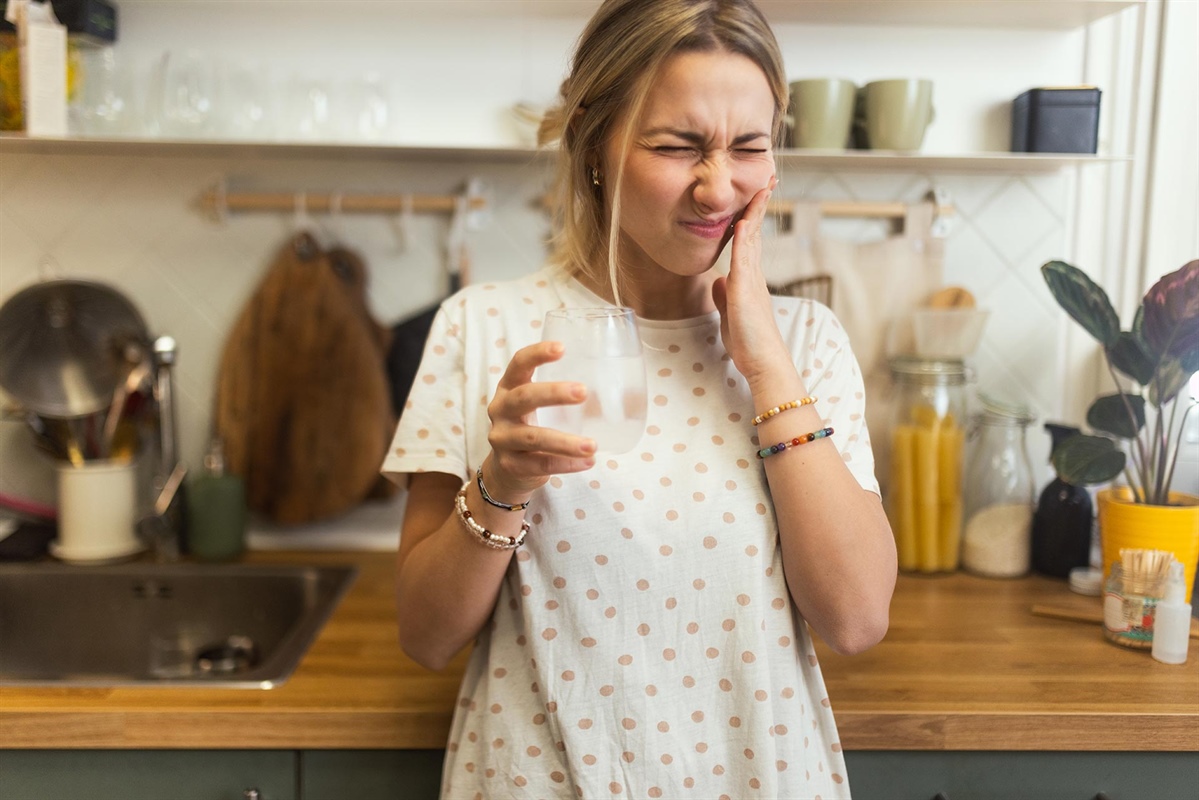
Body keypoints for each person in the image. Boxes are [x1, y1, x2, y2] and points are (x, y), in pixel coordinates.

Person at [383, 0, 897, 796]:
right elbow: (424, 635)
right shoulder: (483, 328)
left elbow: (857, 619)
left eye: (749, 147)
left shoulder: (807, 343)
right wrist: (503, 484)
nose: (717, 186)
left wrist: (764, 362)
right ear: (596, 144)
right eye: (676, 146)